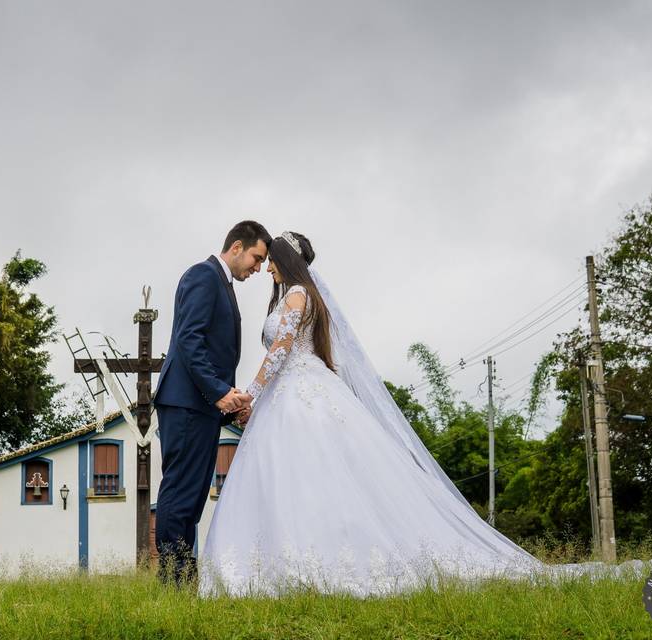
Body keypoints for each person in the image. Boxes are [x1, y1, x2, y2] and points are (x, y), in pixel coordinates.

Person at [199, 231, 550, 597]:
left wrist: (249, 396)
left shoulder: (299, 296)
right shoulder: (293, 297)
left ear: (286, 260)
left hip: (302, 396)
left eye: (272, 259)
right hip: (286, 393)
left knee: (310, 475)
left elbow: (282, 351)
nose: (267, 265)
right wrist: (259, 400)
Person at [153, 220, 270, 586]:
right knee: (181, 490)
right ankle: (173, 579)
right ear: (237, 246)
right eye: (256, 258)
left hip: (201, 405)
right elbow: (190, 341)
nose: (258, 268)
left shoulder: (223, 284)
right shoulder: (203, 276)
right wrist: (219, 391)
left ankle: (185, 578)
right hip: (186, 402)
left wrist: (226, 395)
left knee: (194, 494)